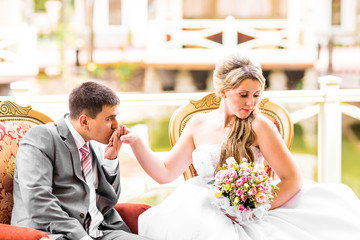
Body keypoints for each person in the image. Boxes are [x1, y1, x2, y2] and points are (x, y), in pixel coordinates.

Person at [121, 53, 360, 239]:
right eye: (243, 94)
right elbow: (165, 173)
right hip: (199, 203)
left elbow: (292, 178)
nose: (251, 103)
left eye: (256, 95)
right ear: (223, 92)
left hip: (248, 210)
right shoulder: (197, 124)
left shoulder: (260, 126)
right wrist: (137, 143)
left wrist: (253, 208)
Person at [11, 82, 151, 240]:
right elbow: (38, 200)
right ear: (84, 122)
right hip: (54, 234)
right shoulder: (41, 137)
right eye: (109, 118)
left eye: (116, 117)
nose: (116, 126)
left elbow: (108, 202)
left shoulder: (93, 142)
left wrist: (110, 160)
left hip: (101, 231)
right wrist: (82, 237)